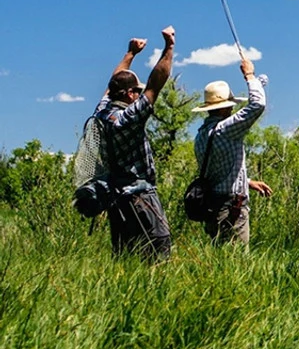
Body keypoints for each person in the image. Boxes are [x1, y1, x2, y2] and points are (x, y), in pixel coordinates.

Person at [95, 26, 176, 260]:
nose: (139, 95)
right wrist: (169, 47)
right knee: (158, 248)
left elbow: (112, 85)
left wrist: (130, 54)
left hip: (116, 198)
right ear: (129, 94)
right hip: (141, 197)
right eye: (136, 92)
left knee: (125, 256)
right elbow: (155, 83)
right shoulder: (128, 119)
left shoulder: (101, 112)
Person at [192, 56, 272, 246]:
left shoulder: (201, 134)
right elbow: (257, 105)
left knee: (219, 256)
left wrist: (248, 182)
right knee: (236, 259)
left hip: (213, 206)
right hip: (231, 208)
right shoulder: (226, 129)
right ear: (224, 108)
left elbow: (218, 170)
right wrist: (249, 75)